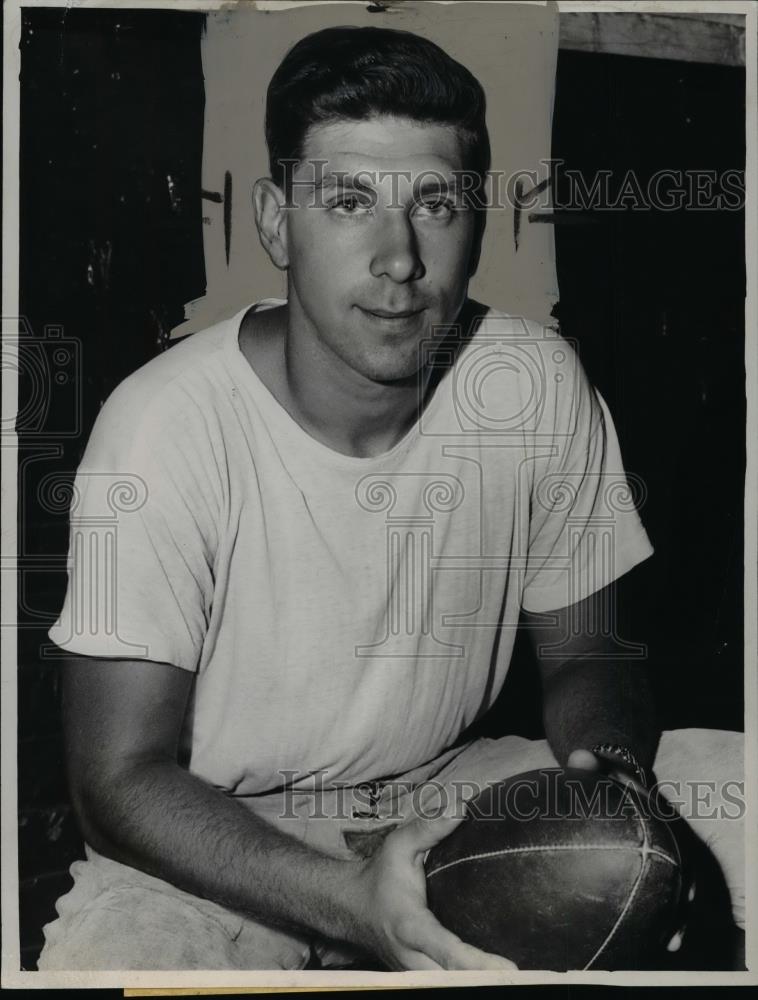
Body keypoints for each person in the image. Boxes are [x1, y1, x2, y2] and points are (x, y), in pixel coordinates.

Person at [39, 26, 744, 972]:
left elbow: (586, 654)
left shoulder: (531, 381)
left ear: (479, 221)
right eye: (350, 201)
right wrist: (346, 902)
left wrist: (605, 784)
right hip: (215, 832)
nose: (401, 257)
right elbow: (115, 781)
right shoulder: (165, 424)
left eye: (436, 202)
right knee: (122, 968)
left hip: (447, 785)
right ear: (278, 220)